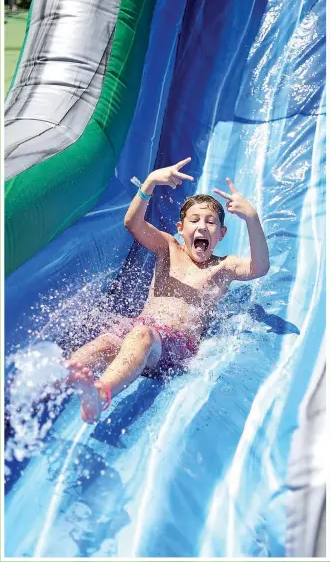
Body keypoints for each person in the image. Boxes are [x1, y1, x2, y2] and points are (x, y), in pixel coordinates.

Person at [66, 157, 269, 423]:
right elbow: (133, 224)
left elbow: (259, 267)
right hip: (141, 330)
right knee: (106, 342)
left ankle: (100, 395)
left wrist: (252, 218)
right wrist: (149, 183)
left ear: (221, 233)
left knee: (141, 335)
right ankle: (54, 379)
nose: (202, 226)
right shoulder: (168, 248)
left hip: (175, 345)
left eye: (211, 222)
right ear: (181, 228)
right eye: (194, 220)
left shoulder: (223, 267)